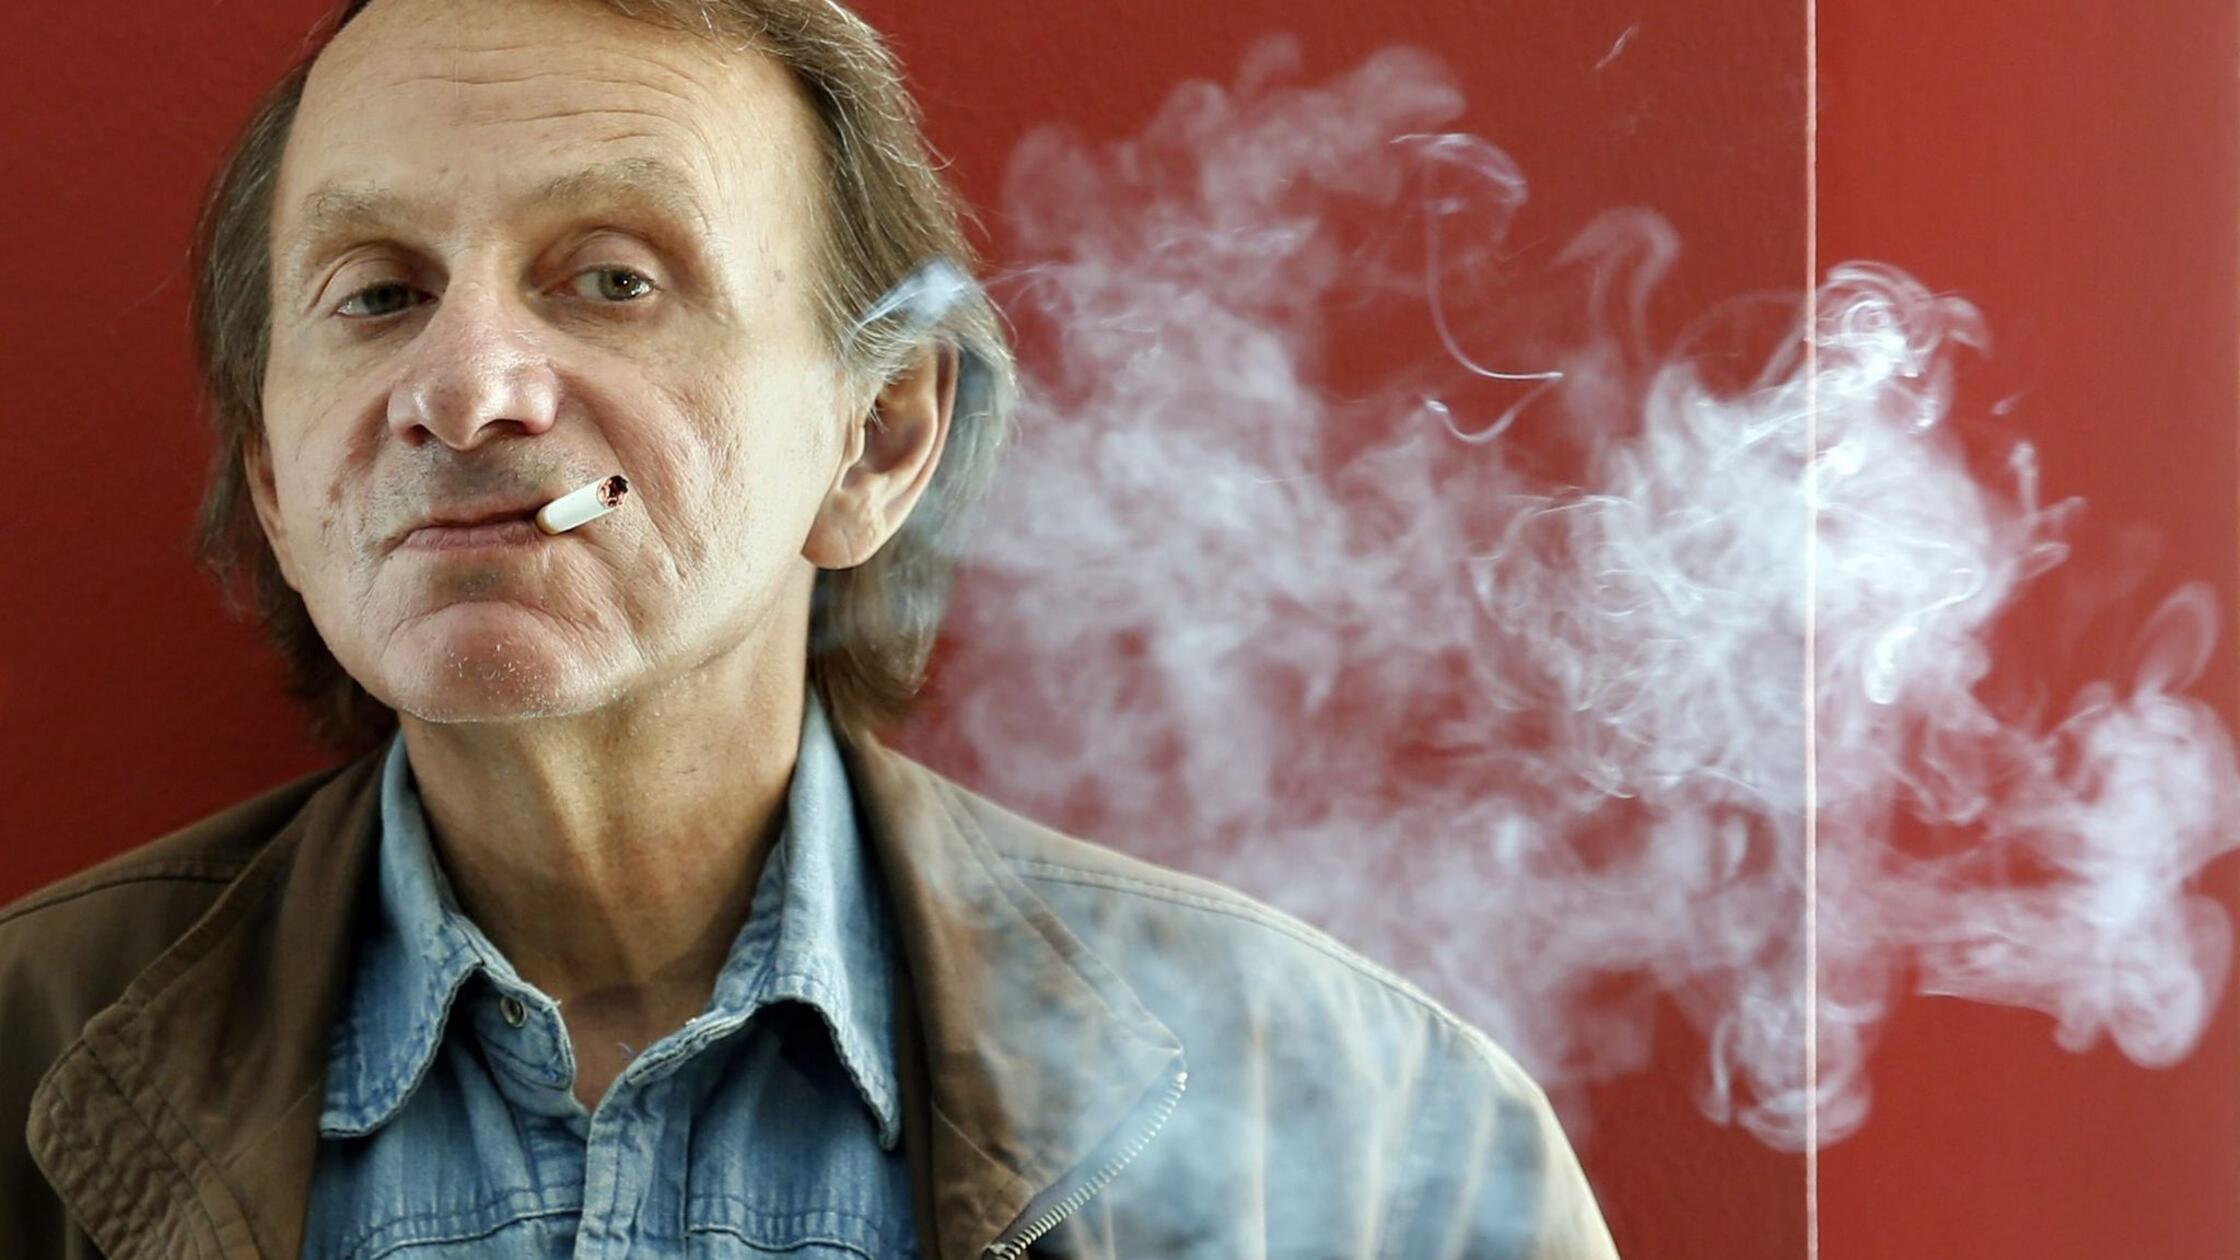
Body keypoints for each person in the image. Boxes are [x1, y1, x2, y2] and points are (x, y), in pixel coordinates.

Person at [0, 1, 1619, 1256]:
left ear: (879, 440)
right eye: (377, 293)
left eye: (612, 278)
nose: (465, 389)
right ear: (277, 482)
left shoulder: (1381, 1145)